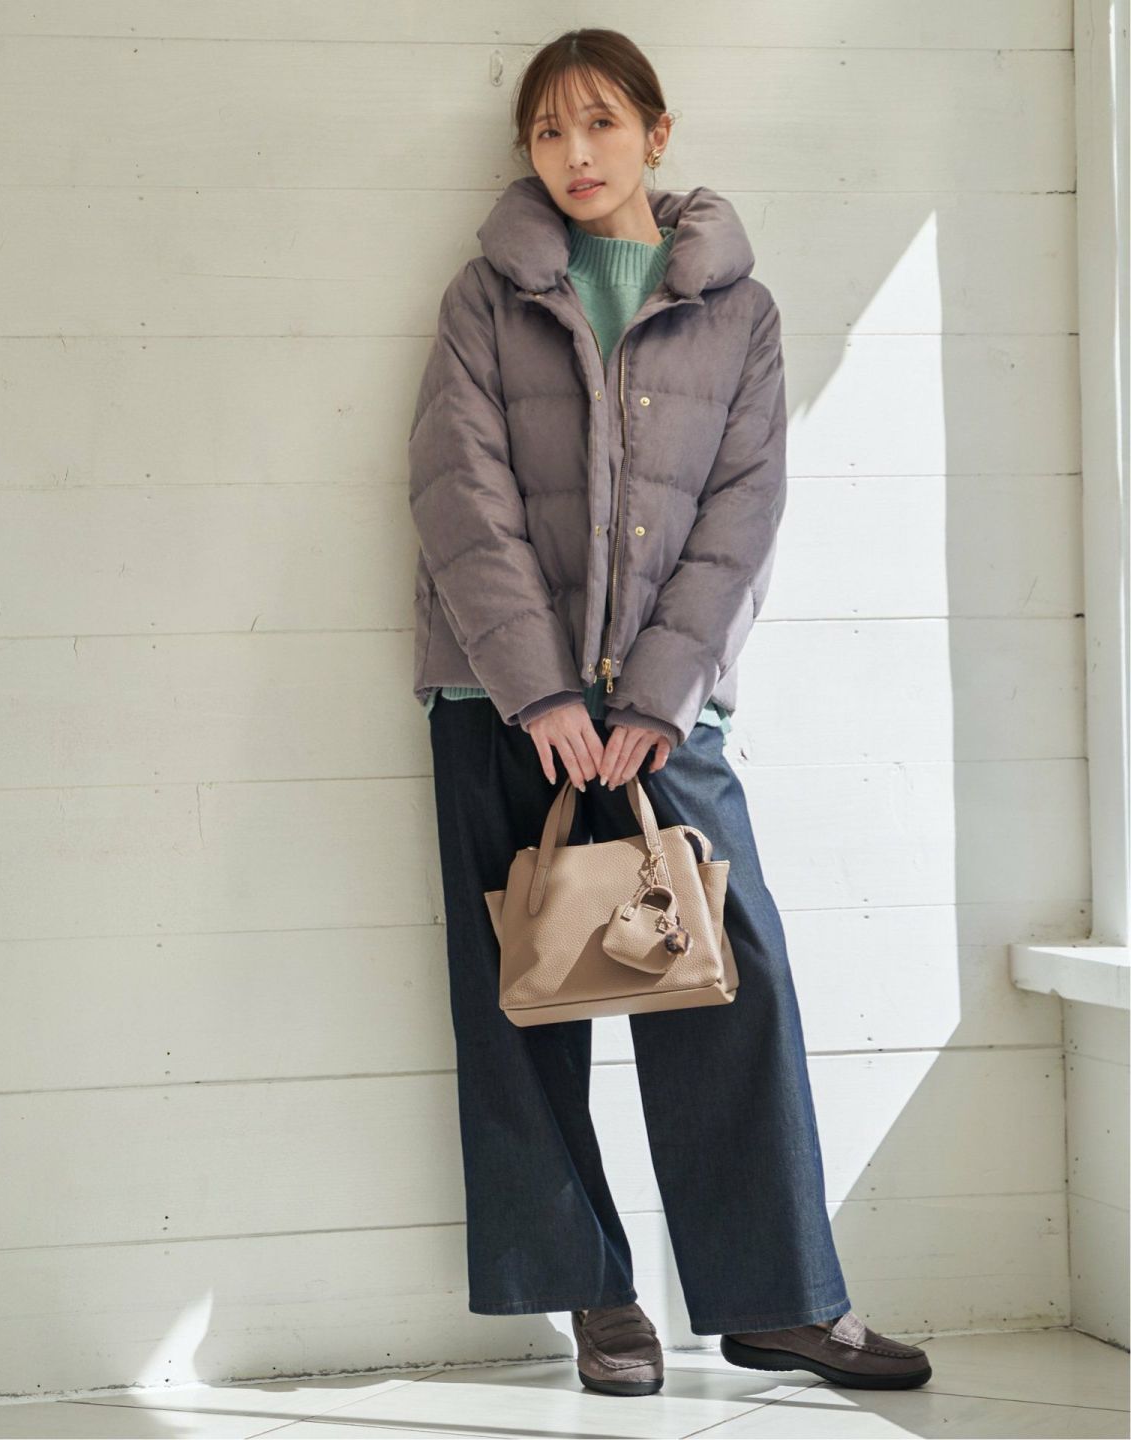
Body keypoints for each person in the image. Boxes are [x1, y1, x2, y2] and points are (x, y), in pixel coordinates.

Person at [406, 27, 932, 1396]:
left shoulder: (738, 313)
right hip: (498, 705)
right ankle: (595, 1300)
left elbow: (741, 517)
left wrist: (655, 699)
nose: (575, 154)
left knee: (732, 979)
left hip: (663, 721)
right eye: (548, 131)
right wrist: (537, 691)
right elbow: (459, 496)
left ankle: (779, 1301)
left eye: (599, 124)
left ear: (656, 131)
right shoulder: (485, 299)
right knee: (525, 1005)